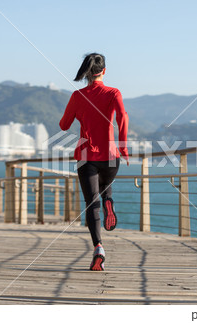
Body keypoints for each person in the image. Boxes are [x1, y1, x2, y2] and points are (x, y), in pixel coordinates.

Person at [59, 53, 129, 271]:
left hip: (86, 156)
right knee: (105, 192)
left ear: (86, 73)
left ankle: (98, 247)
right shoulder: (113, 92)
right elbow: (123, 117)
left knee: (91, 203)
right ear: (104, 71)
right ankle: (108, 200)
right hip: (110, 155)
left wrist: (79, 115)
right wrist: (123, 147)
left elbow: (63, 125)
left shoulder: (77, 95)